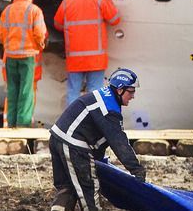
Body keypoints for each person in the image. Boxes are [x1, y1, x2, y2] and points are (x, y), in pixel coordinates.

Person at [49, 68, 146, 211]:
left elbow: (99, 137)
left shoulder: (102, 97)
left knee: (67, 188)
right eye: (131, 91)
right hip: (73, 145)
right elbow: (119, 142)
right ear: (120, 90)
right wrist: (136, 169)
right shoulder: (109, 109)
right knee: (89, 191)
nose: (133, 96)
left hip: (57, 138)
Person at [54, 0, 121, 106]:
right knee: (95, 93)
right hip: (96, 58)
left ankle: (72, 123)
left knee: (73, 92)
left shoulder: (66, 3)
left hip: (75, 59)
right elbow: (115, 19)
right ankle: (93, 123)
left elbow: (58, 25)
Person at [0, 0, 47, 127]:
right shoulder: (34, 11)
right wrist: (40, 45)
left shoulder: (7, 10)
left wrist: (9, 45)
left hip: (11, 56)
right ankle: (22, 125)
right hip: (27, 57)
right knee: (26, 91)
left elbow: (0, 33)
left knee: (12, 90)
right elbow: (40, 33)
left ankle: (11, 123)